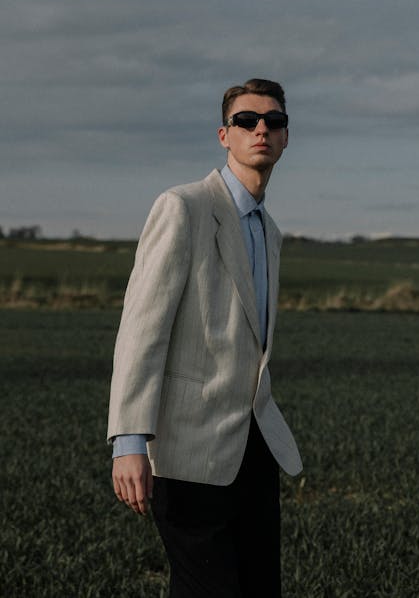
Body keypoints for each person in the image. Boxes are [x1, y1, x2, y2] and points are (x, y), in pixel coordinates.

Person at [107, 78, 303, 598]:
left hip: (254, 449)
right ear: (225, 135)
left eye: (274, 121)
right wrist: (129, 441)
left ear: (286, 138)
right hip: (188, 446)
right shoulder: (184, 207)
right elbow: (141, 330)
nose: (261, 128)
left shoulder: (270, 230)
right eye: (247, 120)